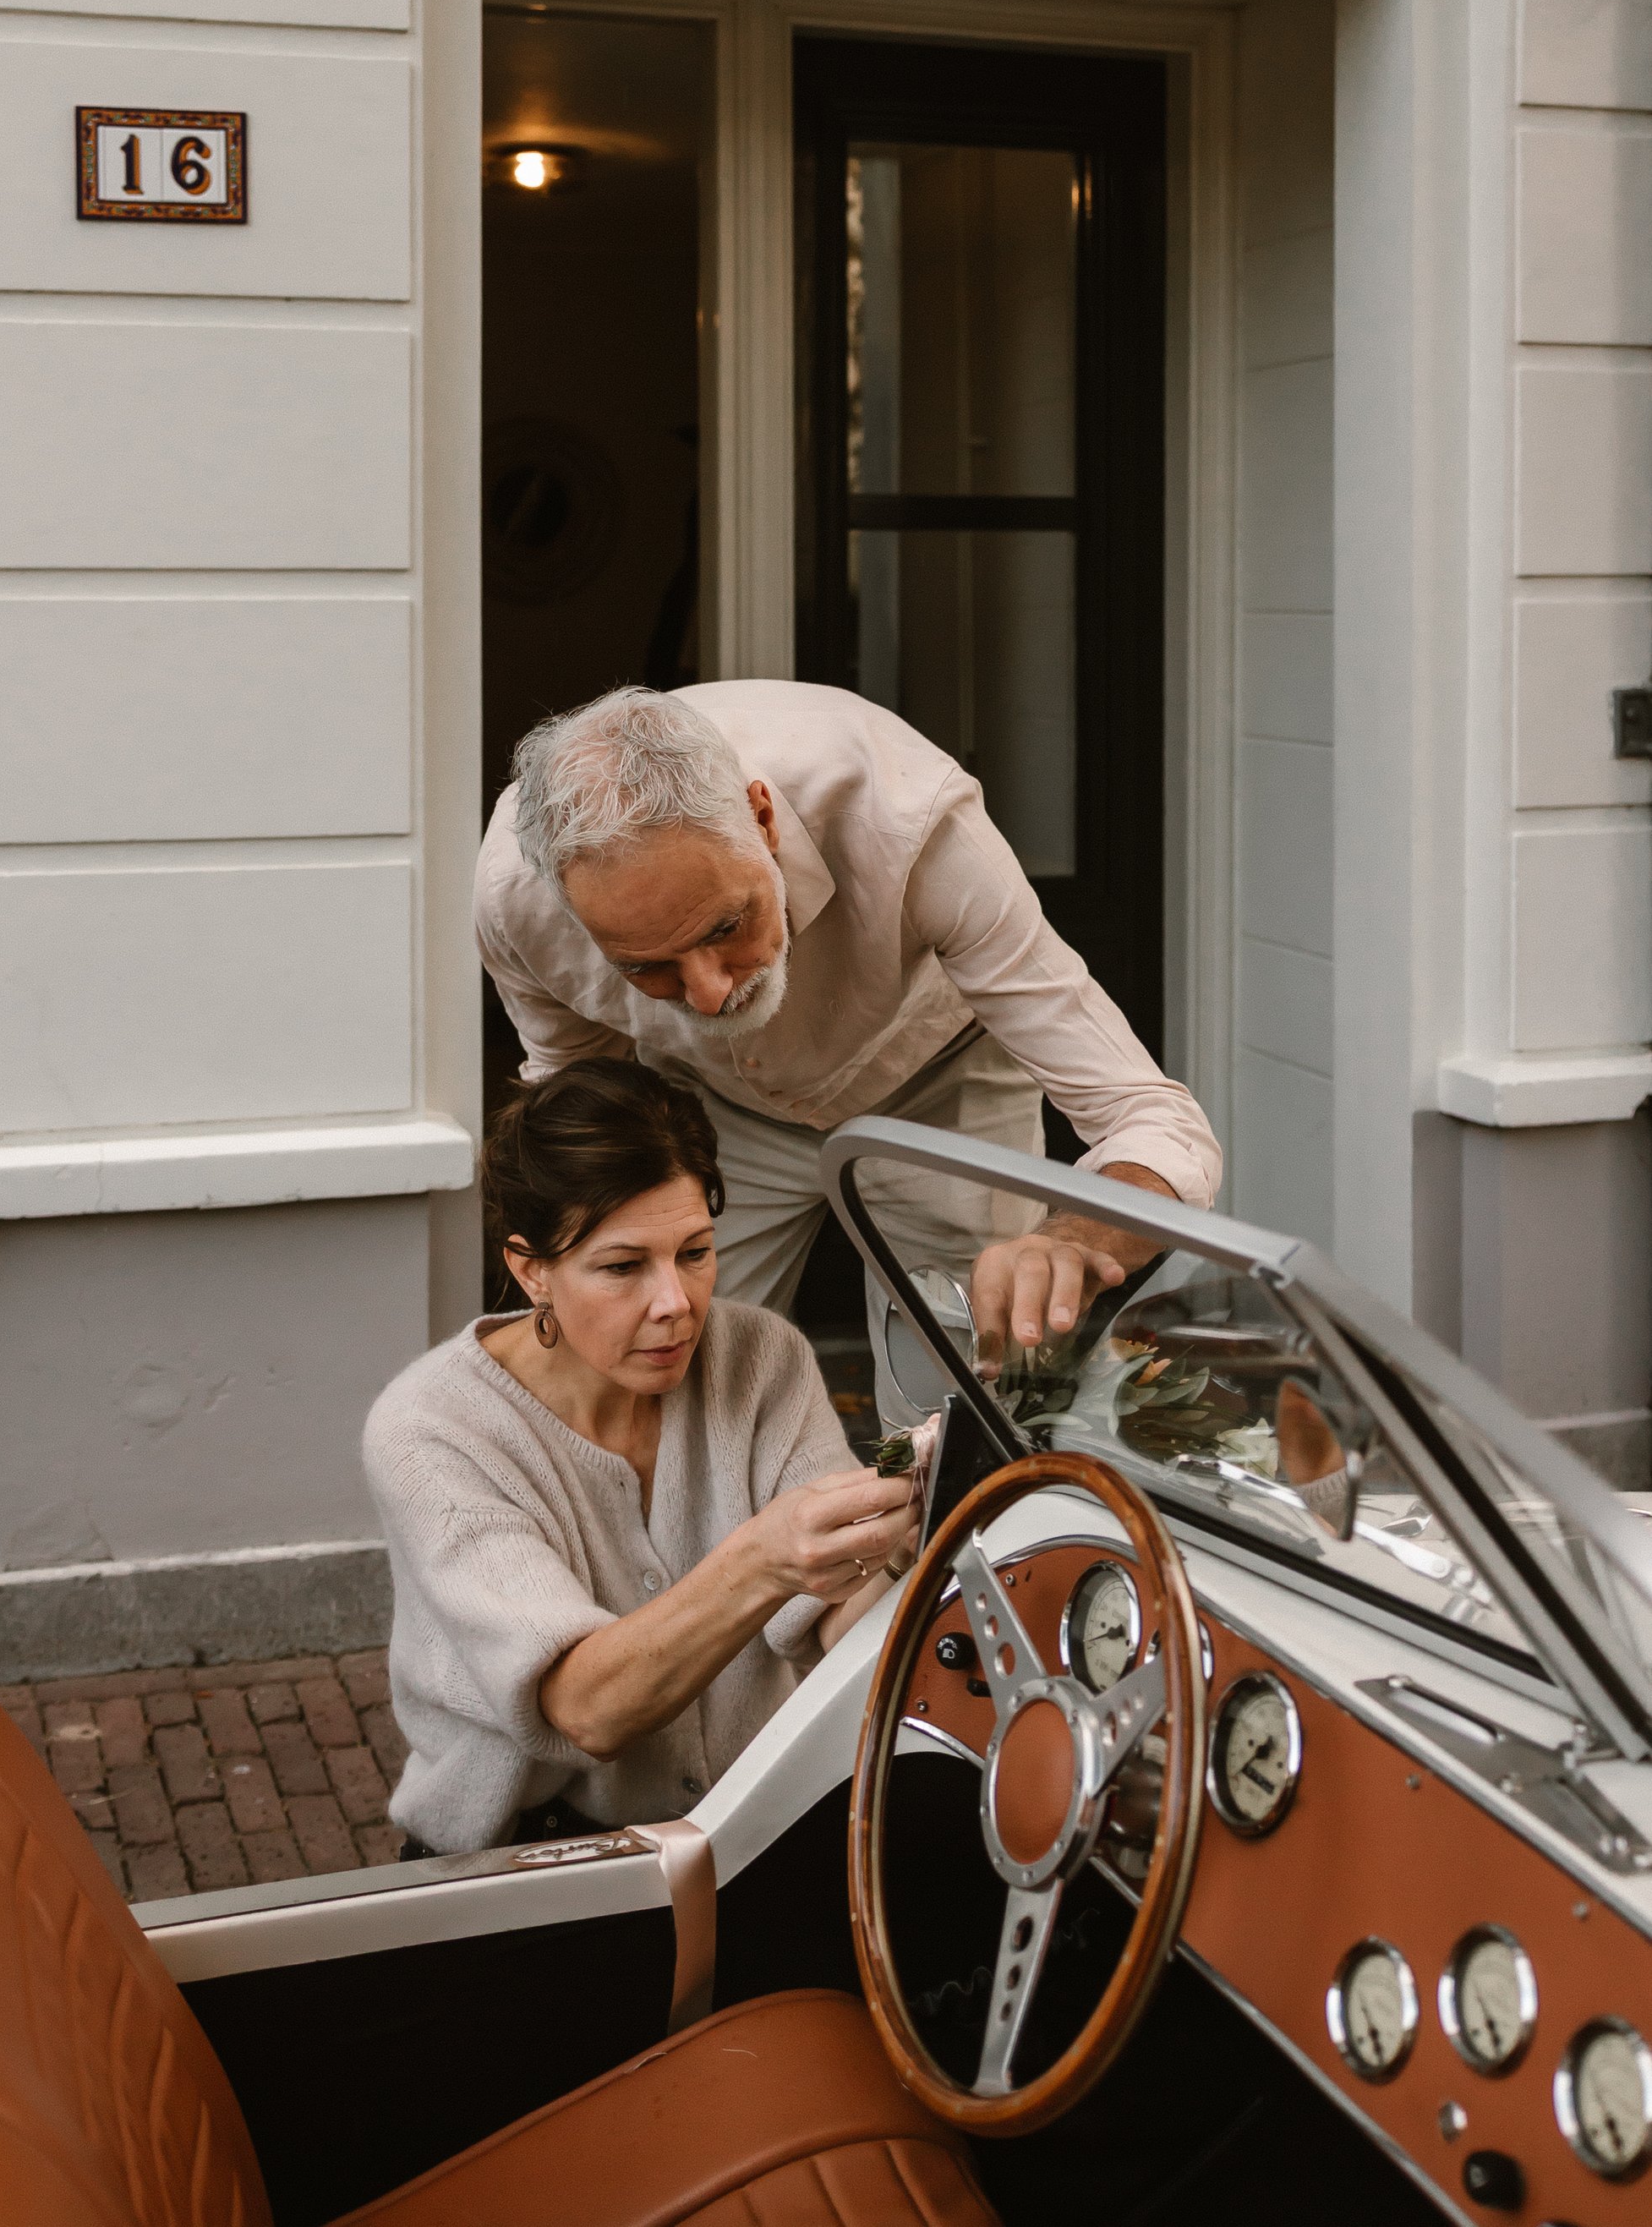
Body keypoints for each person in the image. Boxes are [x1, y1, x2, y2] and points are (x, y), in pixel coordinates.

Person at [476, 681, 1222, 1396]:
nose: (708, 993)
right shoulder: (515, 900)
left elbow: (1152, 1119)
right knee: (673, 1380)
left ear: (761, 819)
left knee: (964, 1387)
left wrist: (1074, 1244)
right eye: (646, 966)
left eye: (726, 927)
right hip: (703, 1105)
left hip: (938, 1084)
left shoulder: (909, 816)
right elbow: (581, 1106)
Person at [363, 1059, 924, 1858]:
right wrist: (764, 1558)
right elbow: (586, 1710)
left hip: (750, 1826)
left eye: (694, 1252)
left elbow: (832, 1618)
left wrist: (899, 1547)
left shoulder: (762, 1357)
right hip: (523, 1859)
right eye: (623, 1267)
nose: (676, 1303)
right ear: (531, 1269)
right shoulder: (431, 1429)